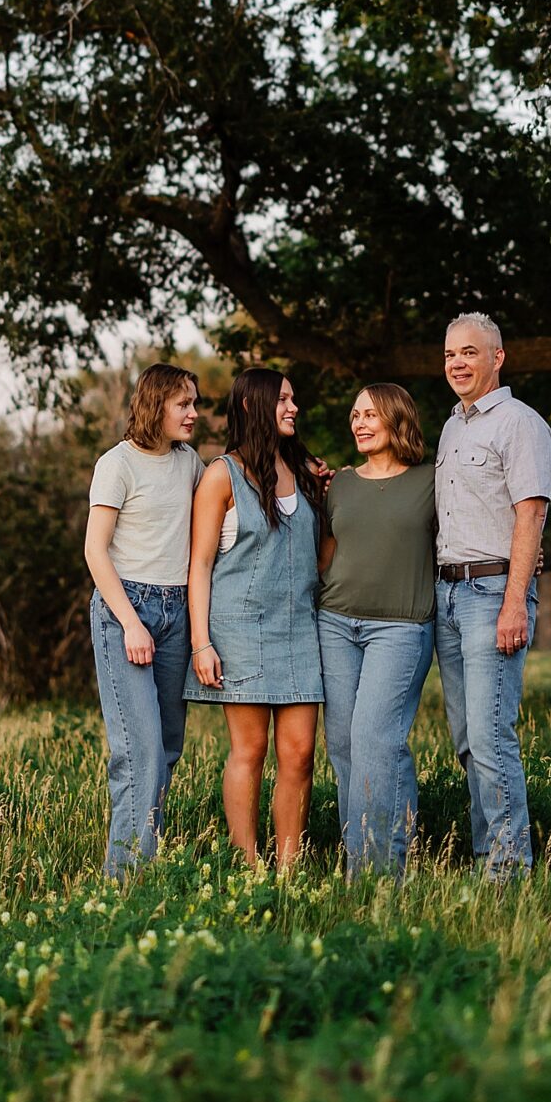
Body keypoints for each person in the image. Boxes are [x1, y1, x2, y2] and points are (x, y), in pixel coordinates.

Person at [185, 368, 325, 869]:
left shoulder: (303, 470)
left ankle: (288, 869)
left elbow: (321, 555)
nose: (292, 407)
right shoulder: (221, 474)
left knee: (301, 754)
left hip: (300, 631)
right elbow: (199, 564)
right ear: (252, 406)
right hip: (239, 628)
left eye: (294, 398)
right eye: (283, 399)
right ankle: (248, 865)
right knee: (251, 750)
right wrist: (202, 642)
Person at [432, 313, 551, 879]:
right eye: (452, 354)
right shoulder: (452, 427)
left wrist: (513, 602)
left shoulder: (520, 425)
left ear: (497, 358)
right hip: (448, 597)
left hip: (492, 594)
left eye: (470, 353)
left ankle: (508, 872)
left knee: (490, 735)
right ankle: (488, 855)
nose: (458, 363)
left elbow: (530, 517)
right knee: (465, 738)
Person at [84, 363, 203, 878]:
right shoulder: (117, 464)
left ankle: (141, 856)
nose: (194, 414)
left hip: (177, 609)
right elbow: (94, 550)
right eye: (184, 404)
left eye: (195, 403)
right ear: (156, 406)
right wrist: (131, 622)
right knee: (140, 751)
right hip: (125, 610)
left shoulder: (190, 462)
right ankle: (125, 878)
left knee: (168, 747)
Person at [316, 383, 437, 878]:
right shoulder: (339, 484)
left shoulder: (432, 480)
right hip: (337, 623)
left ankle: (370, 875)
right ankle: (388, 855)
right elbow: (326, 552)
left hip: (401, 628)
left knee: (374, 738)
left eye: (371, 414)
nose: (360, 423)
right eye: (355, 415)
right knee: (346, 745)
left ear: (396, 419)